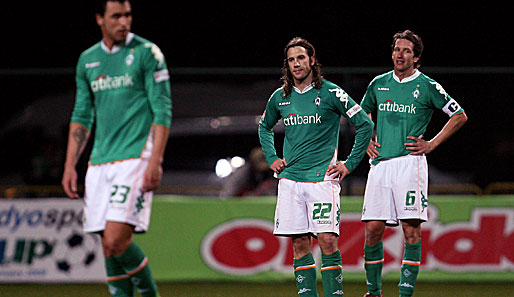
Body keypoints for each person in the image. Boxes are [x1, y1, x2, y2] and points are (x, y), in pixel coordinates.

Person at [61, 1, 171, 296]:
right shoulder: (88, 60)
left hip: (136, 157)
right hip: (99, 162)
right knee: (107, 249)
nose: (124, 22)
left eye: (128, 15)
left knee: (115, 241)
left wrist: (155, 160)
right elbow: (82, 115)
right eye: (116, 16)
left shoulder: (147, 53)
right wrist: (71, 164)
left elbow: (162, 108)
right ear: (99, 18)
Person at [258, 37, 373, 297]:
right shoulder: (280, 97)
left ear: (312, 60)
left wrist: (350, 163)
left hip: (322, 179)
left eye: (301, 58)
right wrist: (271, 158)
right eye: (291, 60)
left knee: (327, 240)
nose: (296, 64)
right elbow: (264, 127)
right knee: (299, 243)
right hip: (290, 181)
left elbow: (365, 123)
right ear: (287, 66)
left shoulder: (331, 92)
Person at [359, 30, 467, 297]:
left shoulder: (428, 86)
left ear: (416, 57)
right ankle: (374, 292)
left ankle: (405, 294)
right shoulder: (379, 83)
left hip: (410, 164)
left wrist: (432, 143)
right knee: (372, 230)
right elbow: (363, 113)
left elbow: (459, 115)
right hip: (380, 165)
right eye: (397, 49)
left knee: (410, 230)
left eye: (406, 50)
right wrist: (367, 139)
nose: (400, 54)